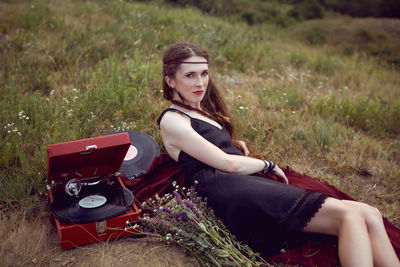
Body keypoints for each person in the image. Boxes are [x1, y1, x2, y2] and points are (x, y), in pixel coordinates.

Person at [156, 42, 400, 267]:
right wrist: (267, 164)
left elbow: (213, 145)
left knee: (370, 212)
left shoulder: (201, 110)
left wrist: (231, 142)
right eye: (190, 75)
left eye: (204, 73)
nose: (200, 83)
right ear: (170, 81)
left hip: (242, 181)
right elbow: (226, 163)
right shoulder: (172, 119)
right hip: (227, 190)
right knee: (349, 215)